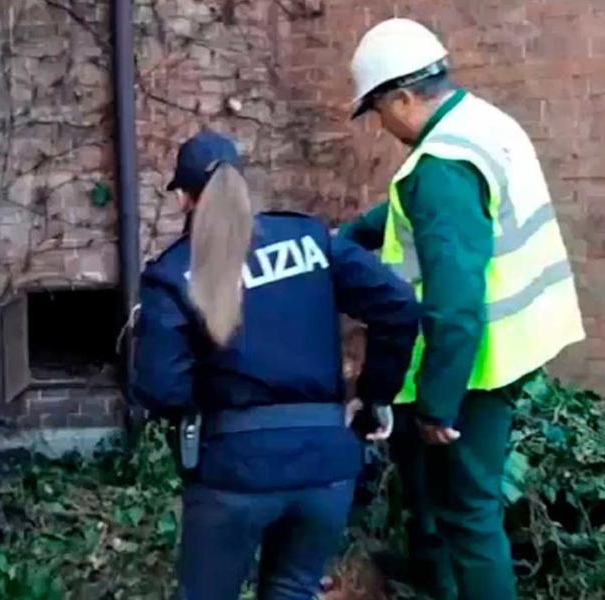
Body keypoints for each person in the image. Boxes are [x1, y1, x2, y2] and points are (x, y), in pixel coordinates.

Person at [341, 18, 586, 600]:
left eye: (378, 110)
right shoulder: (480, 124)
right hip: (517, 341)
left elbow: (454, 302)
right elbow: (413, 216)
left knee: (470, 518)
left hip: (477, 364)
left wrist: (436, 405)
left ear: (402, 96)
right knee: (450, 505)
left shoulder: (442, 166)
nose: (382, 126)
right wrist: (343, 239)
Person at [130, 130, 421, 600]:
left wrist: (209, 411)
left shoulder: (173, 274)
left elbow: (161, 387)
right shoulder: (311, 239)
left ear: (184, 198)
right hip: (326, 464)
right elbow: (399, 306)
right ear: (243, 184)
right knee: (292, 589)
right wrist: (374, 395)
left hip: (233, 471)